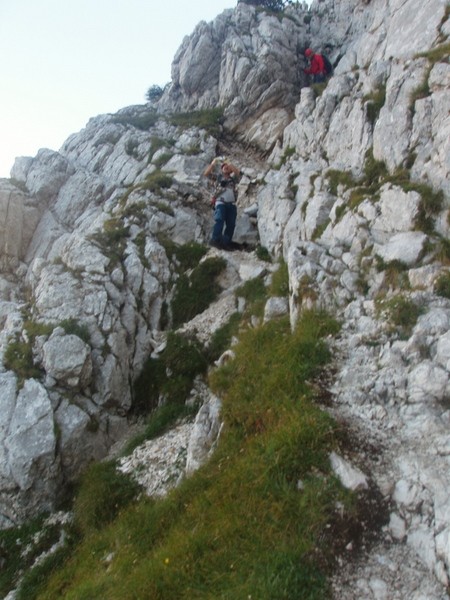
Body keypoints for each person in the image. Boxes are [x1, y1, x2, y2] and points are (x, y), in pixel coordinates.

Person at [203, 157, 241, 250]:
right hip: (220, 202)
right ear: (221, 169)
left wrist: (229, 163)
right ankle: (215, 240)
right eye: (223, 166)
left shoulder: (233, 179)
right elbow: (206, 173)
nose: (225, 167)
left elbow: (238, 173)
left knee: (231, 224)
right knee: (219, 220)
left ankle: (225, 243)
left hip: (231, 204)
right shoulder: (218, 177)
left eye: (227, 166)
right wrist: (213, 163)